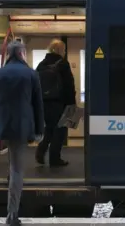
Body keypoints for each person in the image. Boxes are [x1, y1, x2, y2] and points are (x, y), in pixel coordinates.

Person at [0, 41, 44, 226]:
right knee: (17, 169)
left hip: (1, 125)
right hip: (22, 127)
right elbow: (38, 105)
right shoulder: (31, 74)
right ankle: (12, 214)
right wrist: (39, 130)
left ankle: (12, 192)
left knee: (12, 165)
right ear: (22, 53)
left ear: (9, 54)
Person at [35, 39, 76, 167]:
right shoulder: (63, 64)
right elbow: (69, 85)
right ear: (61, 50)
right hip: (59, 103)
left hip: (44, 103)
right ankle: (54, 158)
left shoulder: (41, 65)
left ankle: (40, 152)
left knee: (49, 129)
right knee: (60, 130)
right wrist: (71, 104)